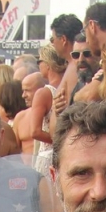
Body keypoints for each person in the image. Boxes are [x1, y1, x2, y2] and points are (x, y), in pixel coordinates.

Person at [32, 45, 66, 176]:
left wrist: (60, 142)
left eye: (39, 61)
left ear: (47, 64)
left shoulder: (43, 93)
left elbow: (35, 132)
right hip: (68, 154)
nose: (38, 65)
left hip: (48, 156)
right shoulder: (72, 88)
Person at [13, 72, 46, 157]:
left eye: (27, 90)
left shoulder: (56, 115)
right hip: (25, 165)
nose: (23, 95)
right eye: (23, 91)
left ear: (42, 90)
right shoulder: (20, 117)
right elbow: (14, 152)